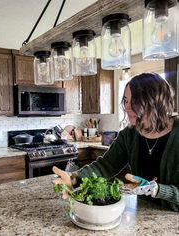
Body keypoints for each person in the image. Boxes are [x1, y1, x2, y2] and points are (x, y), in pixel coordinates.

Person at [53, 73, 179, 212]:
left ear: (156, 102)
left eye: (135, 102)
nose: (127, 108)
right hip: (146, 210)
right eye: (126, 101)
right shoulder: (129, 134)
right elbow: (105, 166)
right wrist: (74, 178)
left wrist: (158, 190)